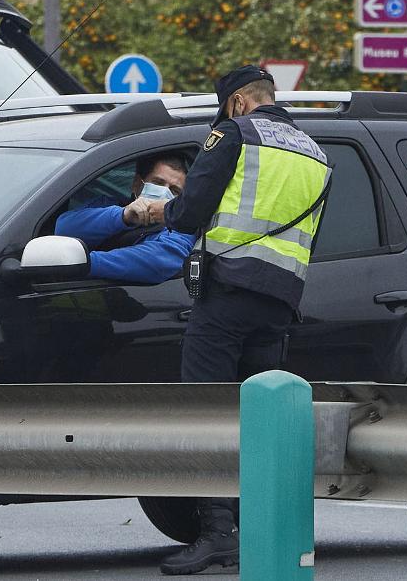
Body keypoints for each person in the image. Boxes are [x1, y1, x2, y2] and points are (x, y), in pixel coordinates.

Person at [147, 65, 331, 576]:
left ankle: (216, 536)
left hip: (227, 294)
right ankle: (259, 533)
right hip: (279, 299)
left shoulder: (233, 133)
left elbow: (190, 211)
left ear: (236, 102)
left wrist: (160, 210)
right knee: (261, 421)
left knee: (206, 410)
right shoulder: (316, 153)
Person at [54, 154, 194, 284]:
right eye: (157, 183)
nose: (164, 192)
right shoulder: (108, 205)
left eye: (174, 191)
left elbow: (161, 260)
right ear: (137, 184)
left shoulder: (180, 228)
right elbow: (62, 229)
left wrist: (83, 263)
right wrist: (123, 216)